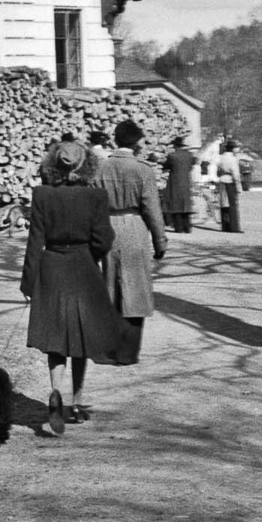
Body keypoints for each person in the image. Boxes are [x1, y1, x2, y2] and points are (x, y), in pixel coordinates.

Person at [21, 140, 117, 435]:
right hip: (83, 268)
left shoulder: (42, 196)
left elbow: (35, 240)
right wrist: (92, 258)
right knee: (80, 338)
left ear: (53, 165)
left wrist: (29, 281)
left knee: (55, 337)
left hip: (51, 268)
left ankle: (55, 391)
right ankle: (76, 403)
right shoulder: (96, 198)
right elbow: (104, 239)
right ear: (85, 165)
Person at [92, 119, 168, 366]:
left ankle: (109, 349)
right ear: (136, 143)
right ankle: (128, 353)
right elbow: (152, 209)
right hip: (134, 226)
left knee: (110, 287)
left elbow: (92, 204)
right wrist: (160, 240)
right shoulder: (142, 169)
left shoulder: (100, 168)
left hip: (108, 226)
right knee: (135, 288)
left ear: (115, 140)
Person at [161, 136, 195, 233]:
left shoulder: (172, 156)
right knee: (186, 203)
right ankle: (187, 227)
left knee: (176, 204)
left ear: (175, 145)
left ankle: (179, 227)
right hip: (186, 180)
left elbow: (166, 166)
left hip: (175, 181)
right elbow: (191, 166)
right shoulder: (189, 155)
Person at [216, 139, 243, 232]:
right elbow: (236, 174)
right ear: (233, 149)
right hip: (230, 181)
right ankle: (234, 227)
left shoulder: (220, 157)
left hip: (221, 180)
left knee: (223, 204)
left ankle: (225, 226)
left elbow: (217, 170)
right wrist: (239, 187)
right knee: (233, 205)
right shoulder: (233, 159)